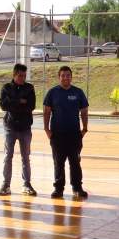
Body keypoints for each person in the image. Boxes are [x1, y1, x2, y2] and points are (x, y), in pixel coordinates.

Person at [43, 66, 89, 200]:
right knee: (58, 162)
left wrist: (84, 128)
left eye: (68, 75)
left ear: (71, 77)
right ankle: (58, 189)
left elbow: (84, 111)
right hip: (57, 135)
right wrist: (47, 129)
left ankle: (77, 188)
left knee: (75, 162)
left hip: (74, 135)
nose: (65, 78)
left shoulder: (78, 92)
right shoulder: (52, 93)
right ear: (59, 77)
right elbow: (46, 111)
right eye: (63, 75)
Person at [0, 63, 37, 196]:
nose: (22, 78)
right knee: (8, 156)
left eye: (24, 76)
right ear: (14, 75)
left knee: (25, 157)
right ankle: (6, 184)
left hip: (25, 127)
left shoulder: (30, 88)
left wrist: (13, 102)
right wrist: (20, 101)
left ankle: (27, 184)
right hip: (10, 127)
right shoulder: (6, 88)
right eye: (20, 75)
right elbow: (3, 105)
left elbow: (31, 105)